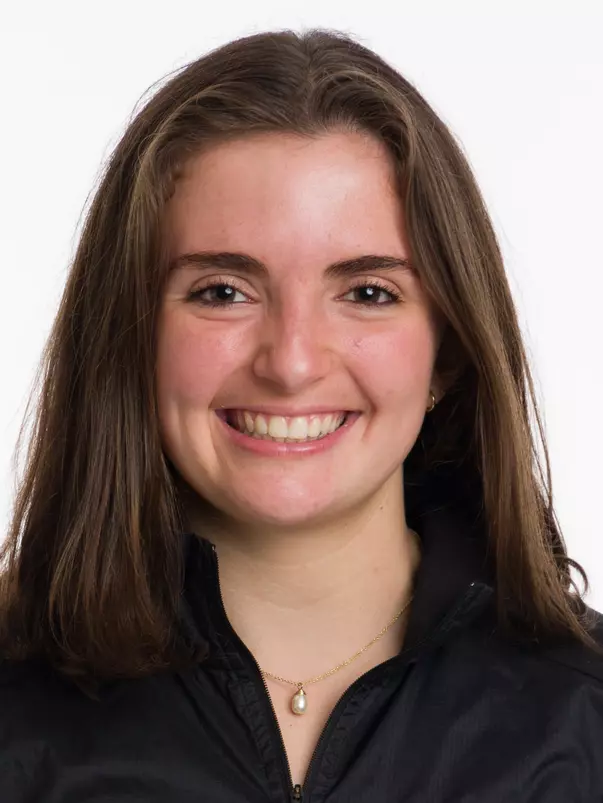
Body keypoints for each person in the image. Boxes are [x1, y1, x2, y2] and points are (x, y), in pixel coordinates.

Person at [0, 27, 601, 803]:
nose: (291, 362)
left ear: (445, 355)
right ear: (129, 336)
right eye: (222, 290)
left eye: (367, 293)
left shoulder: (582, 719)